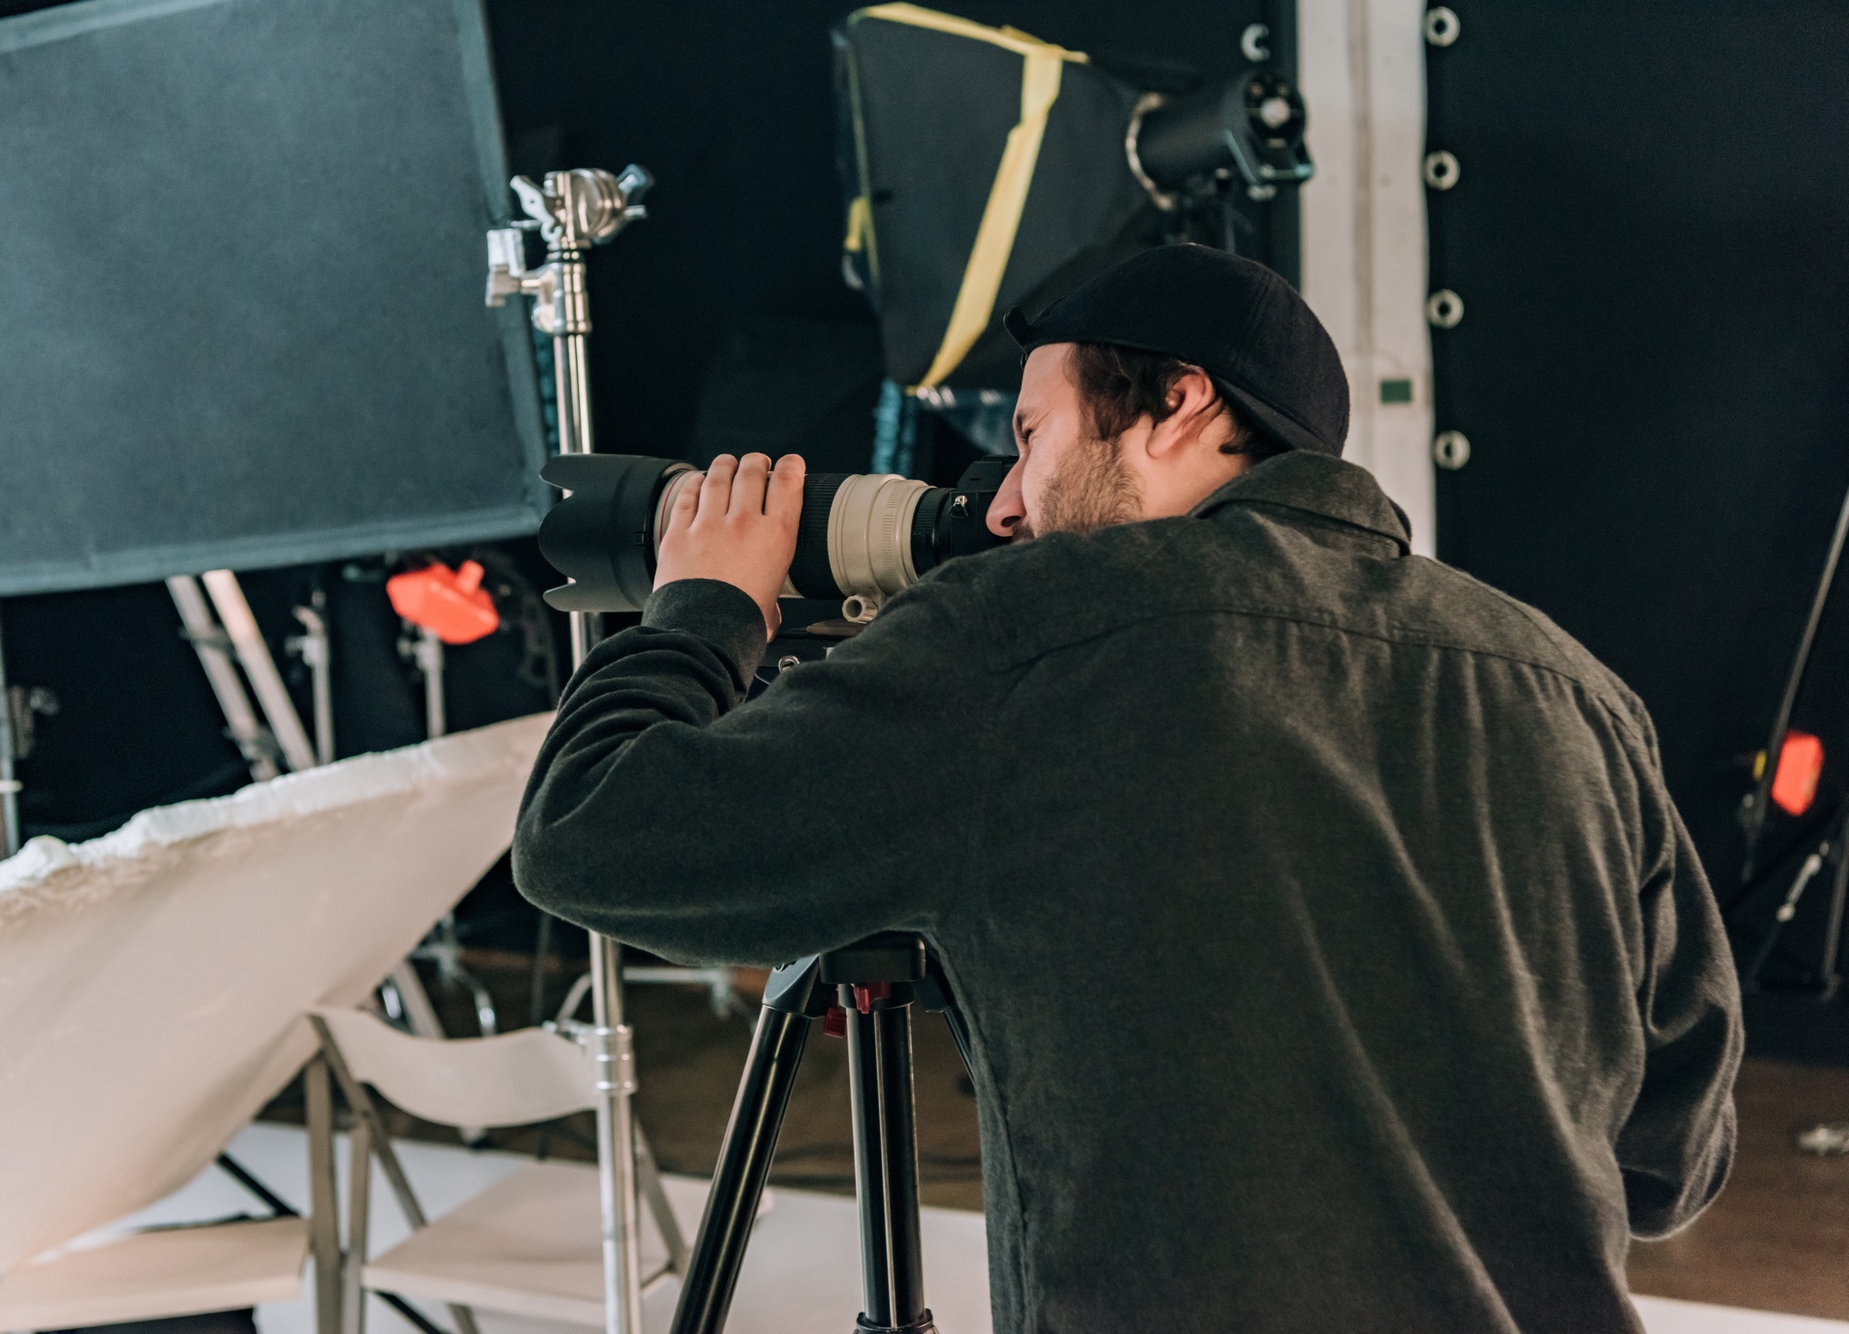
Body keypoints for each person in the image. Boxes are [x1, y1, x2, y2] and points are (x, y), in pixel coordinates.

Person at [515, 244, 1741, 1332]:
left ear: (1174, 406)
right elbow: (1665, 1166)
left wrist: (705, 610)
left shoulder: (1035, 634)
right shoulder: (1572, 688)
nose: (1000, 502)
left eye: (1034, 436)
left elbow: (590, 837)